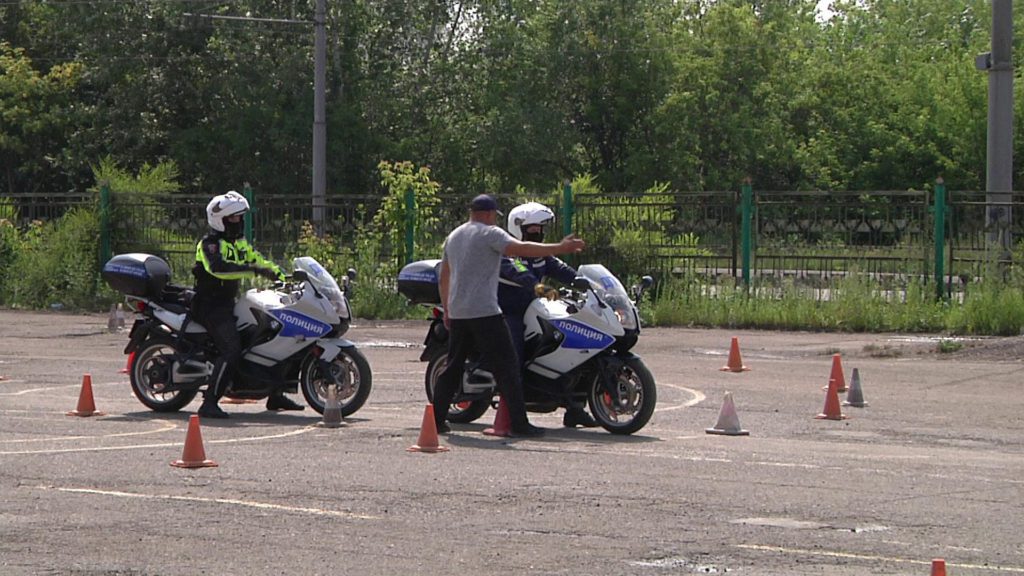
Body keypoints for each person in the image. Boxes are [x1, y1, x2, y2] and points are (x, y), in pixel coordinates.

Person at [432, 194, 586, 438]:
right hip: (486, 312)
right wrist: (561, 247)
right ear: (489, 213)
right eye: (494, 216)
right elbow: (521, 249)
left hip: (460, 312)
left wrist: (448, 309)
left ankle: (436, 421)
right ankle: (519, 423)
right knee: (508, 367)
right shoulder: (490, 234)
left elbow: (444, 277)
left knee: (453, 367)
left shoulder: (454, 236)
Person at [191, 190, 305, 419]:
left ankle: (276, 394)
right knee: (231, 349)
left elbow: (257, 260)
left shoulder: (239, 243)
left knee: (279, 334)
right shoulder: (209, 244)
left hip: (230, 302)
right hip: (210, 306)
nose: (238, 221)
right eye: (233, 217)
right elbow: (218, 269)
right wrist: (253, 271)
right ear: (220, 220)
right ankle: (210, 402)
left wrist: (282, 276)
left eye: (240, 217)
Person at [499, 202, 598, 428]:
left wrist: (587, 285)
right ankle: (515, 411)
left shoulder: (541, 255)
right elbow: (517, 271)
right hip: (510, 310)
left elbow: (561, 270)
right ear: (518, 228)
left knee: (570, 346)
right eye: (532, 228)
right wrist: (537, 286)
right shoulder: (509, 251)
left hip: (537, 308)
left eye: (540, 228)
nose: (538, 233)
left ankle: (574, 408)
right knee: (515, 353)